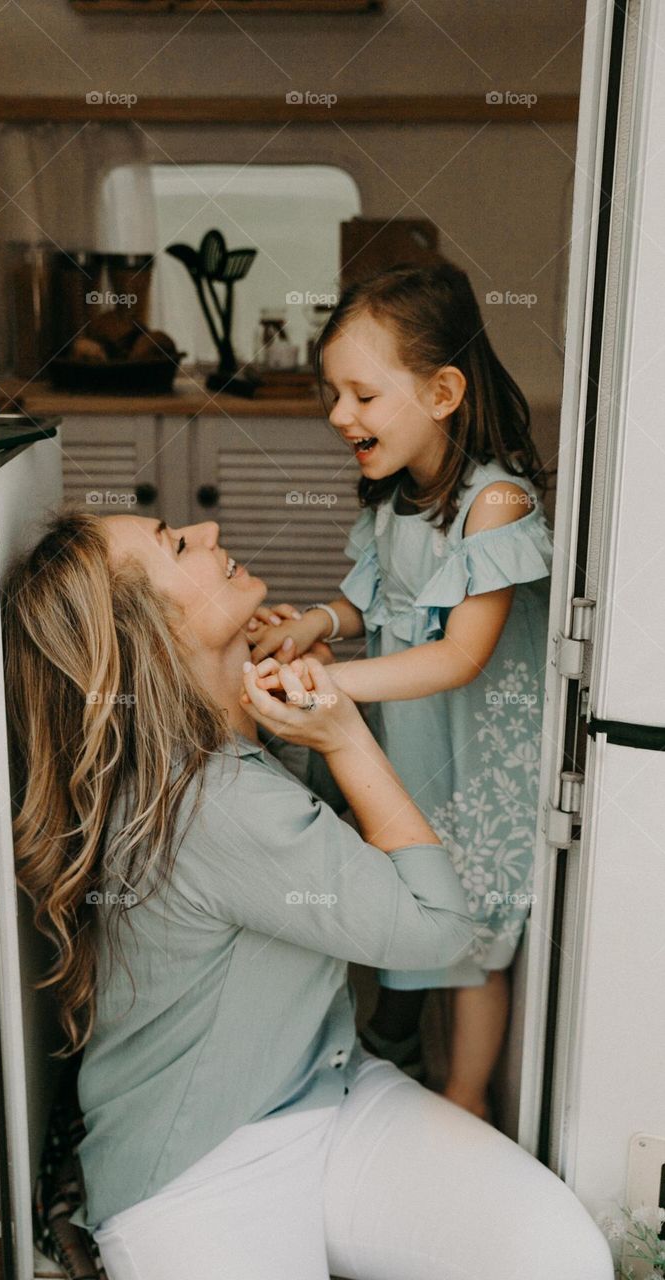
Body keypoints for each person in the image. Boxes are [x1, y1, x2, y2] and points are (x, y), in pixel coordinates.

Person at [0, 509, 612, 1280]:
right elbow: (436, 930)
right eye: (175, 544)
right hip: (195, 1171)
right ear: (151, 635)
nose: (208, 528)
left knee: (559, 1255)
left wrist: (311, 711)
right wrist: (344, 735)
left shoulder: (217, 754)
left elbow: (331, 833)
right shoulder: (215, 803)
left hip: (329, 1095)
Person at [249, 262, 552, 1120]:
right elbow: (377, 606)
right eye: (332, 395)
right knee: (419, 903)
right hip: (414, 753)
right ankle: (400, 1060)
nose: (337, 414)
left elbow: (457, 655)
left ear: (442, 392)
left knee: (473, 942)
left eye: (362, 395)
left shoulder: (494, 503)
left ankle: (466, 1101)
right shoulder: (397, 500)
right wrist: (315, 625)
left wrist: (328, 681)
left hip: (475, 760)